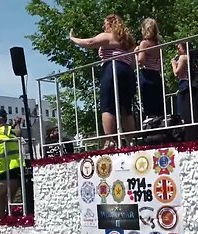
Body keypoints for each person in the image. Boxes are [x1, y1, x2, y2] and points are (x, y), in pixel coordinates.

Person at [69, 14, 136, 149]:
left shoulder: (109, 36)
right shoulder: (128, 40)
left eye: (105, 24)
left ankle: (109, 139)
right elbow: (133, 60)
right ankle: (131, 140)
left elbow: (90, 43)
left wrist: (73, 38)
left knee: (107, 105)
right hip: (127, 71)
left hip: (112, 68)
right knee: (126, 108)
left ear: (111, 24)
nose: (103, 26)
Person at [135, 18, 164, 118]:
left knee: (148, 104)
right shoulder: (158, 45)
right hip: (156, 74)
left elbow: (141, 61)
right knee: (158, 104)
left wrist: (137, 53)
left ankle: (152, 127)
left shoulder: (144, 43)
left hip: (147, 75)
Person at [171, 42, 190, 122]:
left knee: (181, 108)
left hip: (184, 83)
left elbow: (177, 73)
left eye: (179, 48)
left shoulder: (183, 57)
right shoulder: (188, 57)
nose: (177, 51)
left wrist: (173, 64)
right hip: (186, 82)